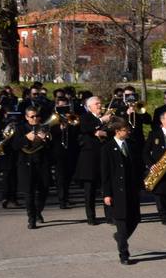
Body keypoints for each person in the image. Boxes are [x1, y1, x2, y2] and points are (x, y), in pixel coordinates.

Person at [100, 117, 143, 264]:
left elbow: (137, 165)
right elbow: (105, 173)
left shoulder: (131, 144)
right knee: (122, 222)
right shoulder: (107, 148)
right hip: (117, 192)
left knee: (135, 220)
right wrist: (106, 193)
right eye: (126, 130)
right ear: (117, 131)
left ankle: (120, 237)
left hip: (131, 189)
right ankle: (124, 254)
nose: (128, 132)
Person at [12, 107, 53, 230]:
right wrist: (26, 138)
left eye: (37, 116)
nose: (35, 118)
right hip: (26, 164)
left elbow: (51, 145)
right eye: (32, 116)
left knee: (44, 190)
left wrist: (45, 139)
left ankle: (37, 211)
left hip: (42, 163)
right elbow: (14, 146)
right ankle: (32, 219)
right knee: (29, 193)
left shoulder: (45, 127)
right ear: (26, 117)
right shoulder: (20, 128)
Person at [75, 95, 110, 226]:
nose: (99, 106)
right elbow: (85, 128)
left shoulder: (107, 118)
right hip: (89, 160)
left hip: (103, 157)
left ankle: (109, 216)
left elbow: (113, 132)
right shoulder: (85, 117)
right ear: (89, 107)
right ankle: (91, 217)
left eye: (100, 103)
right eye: (96, 104)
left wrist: (104, 133)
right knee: (89, 191)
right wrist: (101, 121)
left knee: (106, 188)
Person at [52, 92, 80, 209]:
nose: (63, 109)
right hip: (58, 151)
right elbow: (51, 133)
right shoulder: (53, 118)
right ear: (56, 107)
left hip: (71, 150)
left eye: (65, 106)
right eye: (61, 107)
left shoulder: (72, 117)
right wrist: (60, 128)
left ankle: (66, 196)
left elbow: (77, 132)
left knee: (69, 175)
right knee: (60, 176)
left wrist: (70, 125)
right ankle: (62, 200)